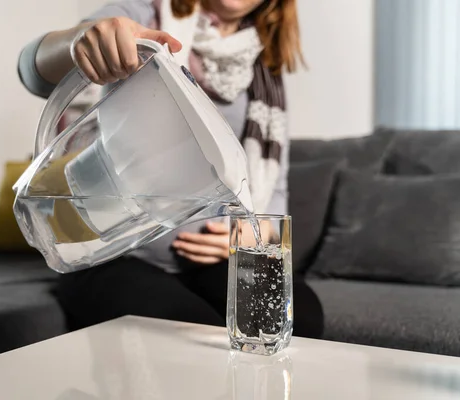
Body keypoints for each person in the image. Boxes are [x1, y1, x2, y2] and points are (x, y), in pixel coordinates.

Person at [17, 0, 324, 338]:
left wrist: (254, 235)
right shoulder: (146, 17)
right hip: (114, 252)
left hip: (213, 259)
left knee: (300, 317)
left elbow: (275, 189)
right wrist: (81, 41)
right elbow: (32, 70)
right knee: (187, 333)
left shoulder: (265, 67)